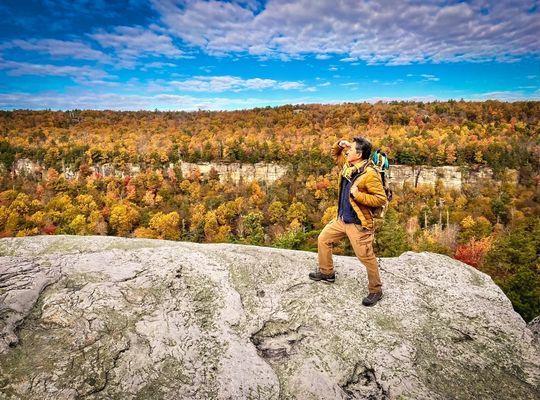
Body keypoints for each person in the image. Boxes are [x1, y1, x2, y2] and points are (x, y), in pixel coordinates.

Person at [309, 136, 387, 306]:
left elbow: (381, 198)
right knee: (323, 239)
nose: (347, 151)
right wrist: (339, 144)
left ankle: (376, 290)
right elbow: (335, 155)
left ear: (358, 154)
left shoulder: (370, 174)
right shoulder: (349, 167)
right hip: (342, 218)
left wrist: (358, 194)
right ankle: (327, 273)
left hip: (358, 223)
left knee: (366, 257)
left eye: (350, 149)